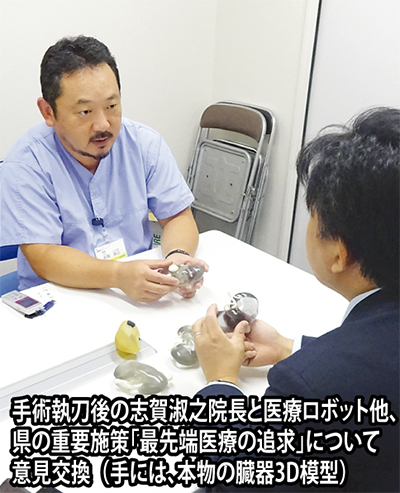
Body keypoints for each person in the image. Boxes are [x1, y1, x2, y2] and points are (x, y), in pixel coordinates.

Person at [192, 107, 399, 492]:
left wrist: (222, 380)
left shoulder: (312, 387)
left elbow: (230, 479)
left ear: (338, 254)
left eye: (313, 214)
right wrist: (290, 348)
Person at [0, 36, 207, 302]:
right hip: (58, 299)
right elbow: (43, 255)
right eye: (85, 112)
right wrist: (118, 275)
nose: (103, 125)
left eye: (111, 106)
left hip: (137, 295)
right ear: (48, 112)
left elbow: (177, 215)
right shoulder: (26, 164)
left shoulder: (144, 144)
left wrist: (178, 256)